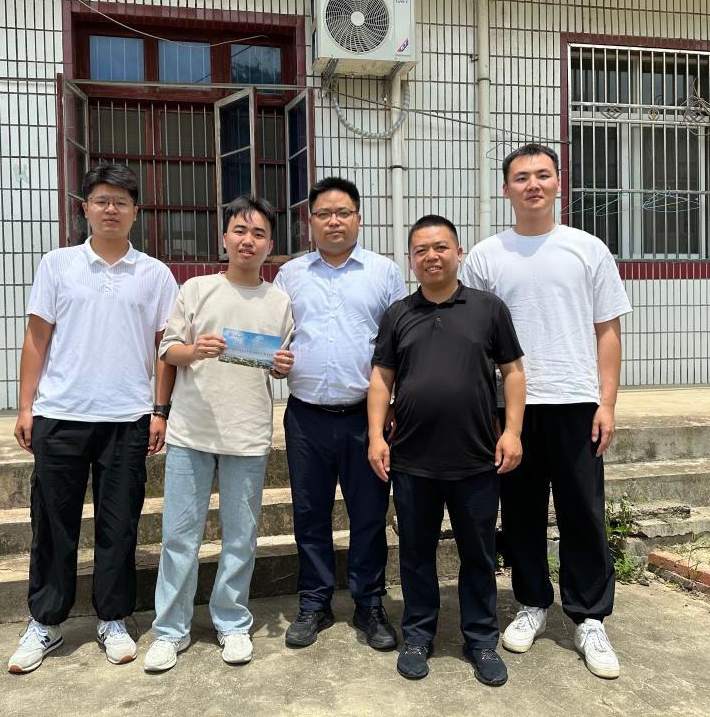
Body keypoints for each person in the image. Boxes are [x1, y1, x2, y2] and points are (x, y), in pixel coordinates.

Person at [461, 143, 633, 680]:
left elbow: (608, 330)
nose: (532, 184)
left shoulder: (587, 249)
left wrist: (607, 403)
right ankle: (532, 602)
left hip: (576, 401)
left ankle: (589, 617)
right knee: (521, 512)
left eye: (542, 175)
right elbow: (474, 338)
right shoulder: (486, 255)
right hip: (512, 409)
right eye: (521, 177)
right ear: (506, 189)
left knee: (584, 510)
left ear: (559, 182)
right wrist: (487, 412)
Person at [8, 163, 178, 674]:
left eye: (121, 202)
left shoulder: (155, 274)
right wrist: (26, 406)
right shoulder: (58, 265)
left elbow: (165, 349)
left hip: (128, 417)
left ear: (135, 212)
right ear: (85, 208)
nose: (111, 209)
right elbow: (37, 338)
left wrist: (159, 411)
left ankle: (113, 618)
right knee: (52, 523)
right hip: (60, 414)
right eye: (101, 200)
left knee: (119, 524)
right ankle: (45, 622)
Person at [367, 215, 526, 686]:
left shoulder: (488, 309)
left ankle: (481, 639)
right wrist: (376, 437)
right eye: (421, 250)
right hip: (413, 459)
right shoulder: (398, 314)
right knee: (416, 554)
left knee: (478, 553)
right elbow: (381, 379)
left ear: (458, 253)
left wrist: (513, 432)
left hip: (475, 457)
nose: (431, 257)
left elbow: (513, 372)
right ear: (410, 259)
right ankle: (418, 635)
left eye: (440, 247)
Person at [143, 195, 295, 672]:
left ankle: (232, 622)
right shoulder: (196, 289)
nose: (248, 240)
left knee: (241, 537)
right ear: (224, 237)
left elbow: (276, 365)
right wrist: (194, 350)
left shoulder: (279, 301)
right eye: (240, 231)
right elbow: (168, 351)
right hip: (191, 431)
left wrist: (281, 367)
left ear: (270, 244)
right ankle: (170, 630)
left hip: (247, 433)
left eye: (259, 233)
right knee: (179, 536)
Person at [273, 177, 406, 650]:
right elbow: (276, 336)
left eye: (343, 212)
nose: (334, 221)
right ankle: (314, 602)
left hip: (364, 419)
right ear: (310, 221)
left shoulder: (384, 272)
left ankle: (369, 603)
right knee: (309, 513)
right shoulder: (290, 275)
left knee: (368, 515)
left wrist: (393, 406)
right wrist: (272, 360)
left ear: (358, 218)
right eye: (324, 214)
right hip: (305, 416)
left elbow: (399, 344)